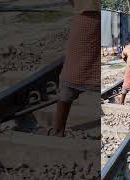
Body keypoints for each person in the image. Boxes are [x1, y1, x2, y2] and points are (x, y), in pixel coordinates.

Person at [50, 0, 99, 137]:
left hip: (86, 13)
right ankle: (58, 130)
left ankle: (58, 131)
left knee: (72, 72)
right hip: (89, 12)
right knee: (73, 72)